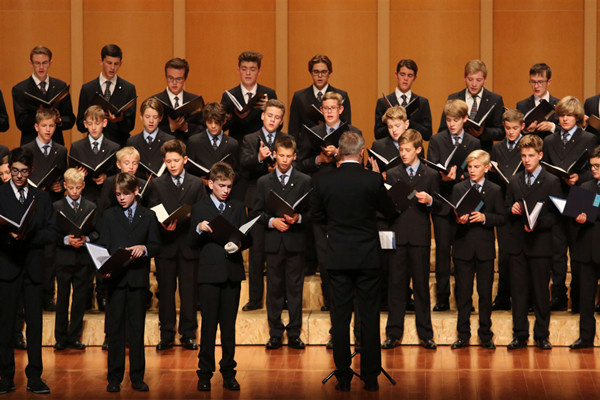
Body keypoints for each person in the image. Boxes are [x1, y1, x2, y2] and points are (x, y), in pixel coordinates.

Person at [310, 131, 396, 392]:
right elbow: (390, 211)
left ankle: (344, 378)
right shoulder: (372, 179)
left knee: (340, 319)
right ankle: (370, 378)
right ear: (362, 153)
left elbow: (316, 215)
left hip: (337, 256)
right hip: (367, 257)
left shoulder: (324, 180)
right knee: (369, 317)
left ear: (339, 152)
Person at [297, 91, 362, 347]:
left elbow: (360, 164)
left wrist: (339, 155)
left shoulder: (352, 132)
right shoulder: (312, 132)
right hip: (321, 202)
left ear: (341, 109)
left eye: (334, 108)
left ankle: (355, 328)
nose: (330, 112)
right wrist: (319, 158)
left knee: (348, 263)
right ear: (321, 110)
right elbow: (301, 163)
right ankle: (333, 314)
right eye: (326, 108)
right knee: (325, 262)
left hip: (347, 205)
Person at [0, 147, 58, 394]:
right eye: (14, 171)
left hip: (33, 268)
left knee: (35, 325)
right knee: (5, 325)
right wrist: (9, 237)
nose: (19, 176)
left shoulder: (41, 198)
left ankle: (35, 376)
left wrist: (28, 235)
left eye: (24, 171)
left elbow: (52, 232)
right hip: (8, 267)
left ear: (31, 171)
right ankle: (5, 377)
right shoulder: (0, 194)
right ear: (9, 169)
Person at [189, 162, 249, 392]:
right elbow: (191, 243)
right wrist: (198, 229)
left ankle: (228, 373)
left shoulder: (237, 206)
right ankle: (204, 373)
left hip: (232, 273)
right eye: (222, 186)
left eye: (229, 186)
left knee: (228, 327)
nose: (225, 190)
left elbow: (247, 237)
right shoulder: (200, 208)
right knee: (208, 327)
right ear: (211, 184)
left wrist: (239, 244)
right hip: (209, 275)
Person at [379, 128, 440, 350]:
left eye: (407, 150)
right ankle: (393, 333)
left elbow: (440, 207)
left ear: (418, 150)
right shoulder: (393, 173)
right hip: (398, 234)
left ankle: (426, 334)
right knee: (396, 286)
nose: (403, 154)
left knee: (421, 286)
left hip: (419, 236)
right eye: (401, 150)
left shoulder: (430, 174)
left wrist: (430, 200)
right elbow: (386, 207)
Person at [100, 173, 160, 393]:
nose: (121, 198)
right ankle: (114, 378)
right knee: (115, 331)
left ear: (136, 191)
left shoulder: (148, 215)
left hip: (136, 281)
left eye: (125, 194)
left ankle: (137, 377)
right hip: (115, 280)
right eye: (118, 194)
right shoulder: (109, 215)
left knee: (136, 331)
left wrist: (144, 249)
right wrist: (105, 266)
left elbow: (156, 245)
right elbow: (103, 246)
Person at [253, 135, 311, 349]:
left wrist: (299, 218)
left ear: (294, 156)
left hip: (295, 243)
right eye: (281, 156)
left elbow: (313, 212)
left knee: (295, 289)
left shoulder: (304, 180)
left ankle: (294, 333)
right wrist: (272, 221)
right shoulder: (263, 182)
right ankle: (275, 333)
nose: (284, 160)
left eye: (289, 156)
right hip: (273, 242)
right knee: (274, 288)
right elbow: (256, 212)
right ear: (275, 155)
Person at [504, 134, 561, 350]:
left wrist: (538, 223)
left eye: (530, 155)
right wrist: (512, 209)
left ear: (540, 155)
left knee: (540, 291)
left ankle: (541, 335)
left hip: (540, 244)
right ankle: (519, 334)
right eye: (523, 156)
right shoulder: (514, 180)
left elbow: (556, 215)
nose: (526, 160)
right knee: (518, 292)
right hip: (518, 244)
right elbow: (506, 207)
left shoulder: (552, 181)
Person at [148, 139, 205, 351]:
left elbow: (202, 211)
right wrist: (163, 224)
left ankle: (188, 334)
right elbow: (153, 210)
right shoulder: (157, 184)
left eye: (176, 160)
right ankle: (167, 334)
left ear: (185, 160)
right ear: (164, 161)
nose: (172, 165)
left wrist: (190, 219)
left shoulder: (196, 183)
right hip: (166, 245)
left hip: (189, 245)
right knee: (166, 292)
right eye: (169, 161)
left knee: (189, 292)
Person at [542, 96, 596, 312]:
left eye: (569, 116)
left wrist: (579, 178)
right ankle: (558, 295)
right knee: (556, 250)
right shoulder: (549, 140)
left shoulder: (589, 139)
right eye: (561, 115)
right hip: (557, 196)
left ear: (577, 117)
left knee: (578, 249)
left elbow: (594, 170)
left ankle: (578, 295)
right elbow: (545, 168)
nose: (564, 119)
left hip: (580, 195)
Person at [427, 99, 480, 311]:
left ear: (465, 119)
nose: (451, 124)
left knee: (463, 253)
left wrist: (462, 175)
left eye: (455, 120)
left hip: (464, 203)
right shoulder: (437, 140)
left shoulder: (473, 142)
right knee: (442, 252)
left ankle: (463, 298)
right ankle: (442, 298)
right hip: (442, 202)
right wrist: (443, 176)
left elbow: (478, 170)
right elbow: (431, 169)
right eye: (448, 120)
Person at [450, 150, 506, 350]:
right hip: (463, 247)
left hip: (484, 249)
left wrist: (485, 218)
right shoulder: (458, 188)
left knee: (485, 294)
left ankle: (485, 335)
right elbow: (450, 217)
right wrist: (458, 219)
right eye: (470, 167)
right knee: (463, 294)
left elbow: (502, 217)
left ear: (487, 168)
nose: (472, 171)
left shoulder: (495, 190)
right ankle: (463, 335)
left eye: (477, 167)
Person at [239, 99, 287, 311]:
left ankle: (280, 298)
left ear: (281, 121)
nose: (272, 120)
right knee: (256, 252)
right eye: (269, 116)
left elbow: (293, 163)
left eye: (277, 117)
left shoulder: (286, 140)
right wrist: (259, 158)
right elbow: (244, 165)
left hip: (280, 200)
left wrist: (279, 168)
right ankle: (255, 298)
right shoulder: (250, 139)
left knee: (279, 253)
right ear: (262, 116)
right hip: (256, 200)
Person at [23, 107, 69, 311]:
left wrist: (60, 185)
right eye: (44, 126)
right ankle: (32, 294)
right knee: (34, 251)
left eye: (51, 125)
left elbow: (64, 174)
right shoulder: (27, 149)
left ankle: (48, 295)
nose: (48, 129)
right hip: (32, 206)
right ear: (36, 127)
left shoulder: (61, 150)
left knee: (51, 252)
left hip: (52, 204)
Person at [52, 168, 98, 351]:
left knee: (80, 299)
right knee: (62, 298)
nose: (74, 191)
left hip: (83, 259)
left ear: (83, 186)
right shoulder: (57, 206)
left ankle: (74, 336)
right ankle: (60, 337)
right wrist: (66, 240)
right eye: (71, 188)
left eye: (78, 187)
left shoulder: (91, 206)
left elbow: (97, 231)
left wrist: (87, 238)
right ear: (65, 186)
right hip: (64, 258)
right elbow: (52, 232)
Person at [490, 109, 526, 311]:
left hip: (522, 204)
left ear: (522, 127)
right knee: (504, 253)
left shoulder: (526, 146)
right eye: (507, 128)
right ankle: (503, 297)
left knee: (522, 253)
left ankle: (524, 297)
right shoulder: (498, 148)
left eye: (515, 128)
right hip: (504, 204)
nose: (511, 132)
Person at [12, 45, 75, 145]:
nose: (41, 67)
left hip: (56, 144)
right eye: (37, 63)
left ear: (50, 63)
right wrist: (40, 115)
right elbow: (21, 123)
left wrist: (58, 120)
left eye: (45, 63)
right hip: (30, 145)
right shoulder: (20, 89)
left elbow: (70, 119)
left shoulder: (60, 86)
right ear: (31, 63)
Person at [76, 44, 137, 147]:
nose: (112, 68)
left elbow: (130, 125)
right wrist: (94, 120)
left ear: (121, 64)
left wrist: (119, 120)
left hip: (119, 145)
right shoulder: (88, 89)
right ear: (101, 61)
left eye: (116, 64)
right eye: (109, 63)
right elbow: (80, 124)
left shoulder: (128, 89)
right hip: (94, 146)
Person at [438, 60, 504, 152]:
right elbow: (442, 130)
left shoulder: (495, 100)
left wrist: (483, 132)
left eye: (478, 80)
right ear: (464, 78)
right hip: (458, 151)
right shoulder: (453, 98)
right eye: (470, 79)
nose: (474, 84)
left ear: (485, 79)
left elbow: (501, 132)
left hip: (482, 152)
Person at [570, 145, 600, 349]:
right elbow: (574, 215)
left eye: (597, 166)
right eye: (592, 166)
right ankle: (586, 337)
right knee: (586, 297)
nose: (594, 170)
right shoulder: (585, 185)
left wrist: (592, 212)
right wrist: (577, 217)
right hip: (588, 248)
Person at [288, 54, 351, 140]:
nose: (320, 75)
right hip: (306, 146)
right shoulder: (299, 97)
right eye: (316, 72)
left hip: (333, 145)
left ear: (329, 73)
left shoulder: (341, 96)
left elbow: (346, 128)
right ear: (311, 73)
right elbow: (293, 131)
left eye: (324, 72)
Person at [220, 51, 277, 143]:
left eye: (252, 69)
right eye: (244, 69)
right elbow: (222, 126)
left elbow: (279, 126)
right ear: (238, 71)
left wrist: (268, 111)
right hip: (237, 146)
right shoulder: (228, 96)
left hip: (262, 145)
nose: (248, 73)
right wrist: (236, 116)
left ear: (259, 72)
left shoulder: (269, 94)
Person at [70, 105, 120, 204]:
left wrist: (106, 177)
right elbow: (69, 175)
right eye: (90, 123)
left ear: (104, 123)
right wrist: (78, 176)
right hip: (85, 198)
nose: (93, 128)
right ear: (85, 124)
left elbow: (118, 175)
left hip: (107, 198)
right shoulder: (76, 147)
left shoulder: (114, 147)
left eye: (97, 123)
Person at [187, 102, 240, 194]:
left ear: (224, 121)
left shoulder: (232, 144)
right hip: (201, 192)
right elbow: (187, 171)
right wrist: (201, 181)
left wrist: (225, 180)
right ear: (205, 121)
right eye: (209, 122)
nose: (213, 126)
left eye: (217, 122)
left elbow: (238, 173)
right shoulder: (194, 141)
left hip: (225, 194)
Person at [374, 59, 432, 141]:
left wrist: (408, 122)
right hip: (390, 147)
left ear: (414, 78)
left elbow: (428, 134)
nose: (405, 78)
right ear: (396, 75)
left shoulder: (422, 102)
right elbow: (378, 134)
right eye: (402, 74)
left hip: (413, 147)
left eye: (410, 75)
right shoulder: (383, 102)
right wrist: (394, 124)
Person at [152, 57, 204, 143]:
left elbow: (203, 130)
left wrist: (186, 127)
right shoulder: (154, 101)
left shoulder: (195, 101)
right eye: (170, 78)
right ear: (166, 77)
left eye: (179, 79)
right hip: (163, 147)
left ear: (185, 79)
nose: (174, 83)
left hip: (188, 147)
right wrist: (171, 127)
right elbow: (150, 130)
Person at [126, 97, 175, 180]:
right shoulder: (132, 142)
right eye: (147, 116)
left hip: (162, 185)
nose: (151, 121)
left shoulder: (170, 141)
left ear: (160, 118)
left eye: (155, 117)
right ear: (141, 117)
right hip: (138, 185)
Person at [516, 63, 560, 138]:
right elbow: (517, 133)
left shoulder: (559, 104)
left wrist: (552, 127)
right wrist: (526, 130)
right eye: (533, 82)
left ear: (549, 82)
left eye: (540, 82)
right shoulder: (521, 106)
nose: (536, 86)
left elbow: (568, 132)